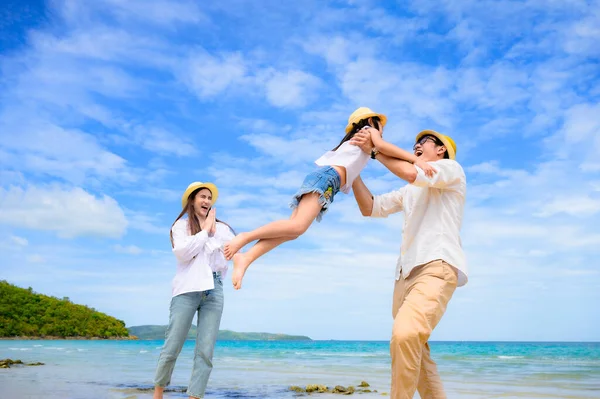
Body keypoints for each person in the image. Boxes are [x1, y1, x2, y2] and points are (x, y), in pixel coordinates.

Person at [223, 107, 435, 290]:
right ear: (371, 121)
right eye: (381, 127)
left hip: (327, 183)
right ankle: (245, 237)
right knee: (296, 227)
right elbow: (384, 147)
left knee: (292, 230)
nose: (381, 132)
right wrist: (415, 161)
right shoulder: (368, 131)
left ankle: (247, 258)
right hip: (326, 179)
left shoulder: (354, 145)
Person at [349, 128, 468, 399]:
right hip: (403, 278)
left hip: (436, 268)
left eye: (424, 141)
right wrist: (353, 169)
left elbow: (413, 172)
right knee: (419, 358)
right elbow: (370, 206)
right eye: (415, 142)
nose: (417, 144)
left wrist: (375, 149)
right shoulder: (410, 190)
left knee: (404, 336)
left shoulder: (452, 169)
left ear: (441, 150)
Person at [153, 181, 235, 399]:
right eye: (203, 197)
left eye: (210, 198)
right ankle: (158, 393)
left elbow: (234, 251)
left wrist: (240, 268)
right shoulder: (180, 226)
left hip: (214, 289)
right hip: (187, 289)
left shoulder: (224, 229)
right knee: (173, 345)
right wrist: (206, 231)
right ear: (192, 200)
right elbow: (183, 253)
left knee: (205, 351)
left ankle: (195, 396)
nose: (207, 201)